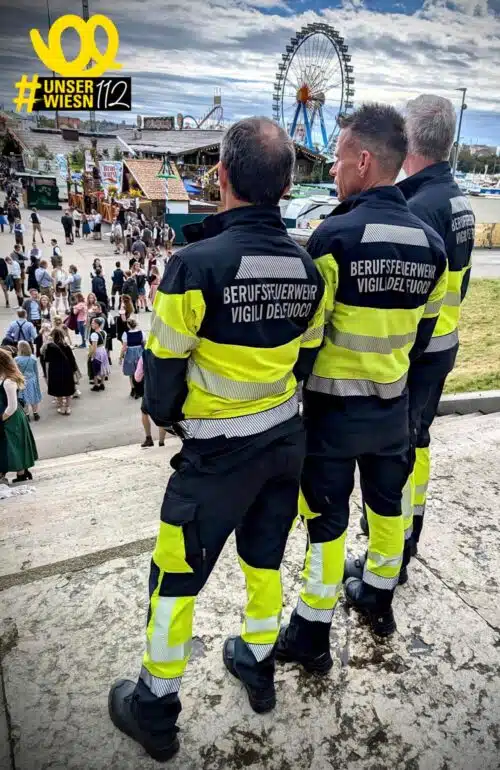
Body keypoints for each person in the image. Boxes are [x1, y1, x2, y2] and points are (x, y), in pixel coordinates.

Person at [108, 116, 326, 761]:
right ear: (286, 187)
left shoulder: (191, 265)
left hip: (214, 460)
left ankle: (155, 705)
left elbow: (161, 385)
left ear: (223, 176)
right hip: (286, 445)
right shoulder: (310, 271)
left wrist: (187, 424)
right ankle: (257, 663)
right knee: (264, 560)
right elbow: (304, 362)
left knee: (175, 578)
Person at [275, 104, 447, 681]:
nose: (335, 171)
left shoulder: (333, 235)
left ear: (365, 161)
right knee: (387, 505)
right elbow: (423, 335)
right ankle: (377, 598)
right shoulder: (432, 246)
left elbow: (309, 334)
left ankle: (312, 632)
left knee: (325, 519)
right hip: (392, 409)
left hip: (331, 412)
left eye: (341, 159)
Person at [390, 94, 475, 561]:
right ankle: (411, 531)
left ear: (407, 141)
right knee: (419, 441)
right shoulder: (457, 200)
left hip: (420, 352)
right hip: (446, 342)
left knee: (400, 452)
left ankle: (395, 548)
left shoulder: (420, 208)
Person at [0, 349, 38, 484]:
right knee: (16, 444)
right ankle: (22, 472)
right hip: (13, 417)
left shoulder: (8, 381)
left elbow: (12, 406)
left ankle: (21, 473)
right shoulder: (7, 377)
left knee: (14, 445)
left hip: (11, 418)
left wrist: (2, 418)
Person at [134, 354, 167, 448]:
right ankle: (161, 442)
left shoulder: (144, 356)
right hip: (164, 390)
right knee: (162, 416)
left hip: (149, 390)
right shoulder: (165, 353)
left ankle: (148, 438)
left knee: (144, 412)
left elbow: (137, 377)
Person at [43, 327, 77, 415]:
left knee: (58, 389)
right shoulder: (66, 346)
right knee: (68, 388)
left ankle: (62, 407)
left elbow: (46, 359)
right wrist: (73, 370)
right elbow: (72, 359)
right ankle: (68, 408)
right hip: (67, 369)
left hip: (55, 369)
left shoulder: (50, 347)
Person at [15, 340, 42, 421]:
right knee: (34, 397)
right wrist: (37, 382)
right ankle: (35, 413)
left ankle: (26, 415)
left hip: (22, 381)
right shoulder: (33, 358)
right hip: (32, 380)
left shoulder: (16, 359)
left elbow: (16, 372)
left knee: (24, 398)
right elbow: (36, 371)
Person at [119, 317, 144, 395]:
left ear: (128, 325)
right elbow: (144, 343)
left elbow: (124, 347)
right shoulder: (141, 332)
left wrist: (120, 357)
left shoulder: (126, 334)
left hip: (130, 353)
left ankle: (133, 388)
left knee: (131, 372)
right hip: (140, 352)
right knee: (140, 371)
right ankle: (140, 388)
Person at [88, 317, 109, 392]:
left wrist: (92, 356)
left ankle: (96, 385)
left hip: (97, 351)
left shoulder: (94, 334)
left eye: (93, 323)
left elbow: (94, 347)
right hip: (103, 350)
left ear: (97, 324)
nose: (91, 324)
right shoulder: (104, 332)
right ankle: (102, 384)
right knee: (103, 366)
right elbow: (104, 343)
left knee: (95, 368)